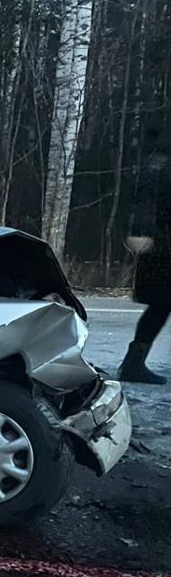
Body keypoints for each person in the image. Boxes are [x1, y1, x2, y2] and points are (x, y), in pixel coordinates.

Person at [119, 123, 171, 384]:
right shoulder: (161, 163)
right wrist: (142, 231)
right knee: (161, 303)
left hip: (160, 241)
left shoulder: (158, 160)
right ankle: (133, 364)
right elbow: (147, 196)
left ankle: (134, 363)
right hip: (163, 243)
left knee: (161, 304)